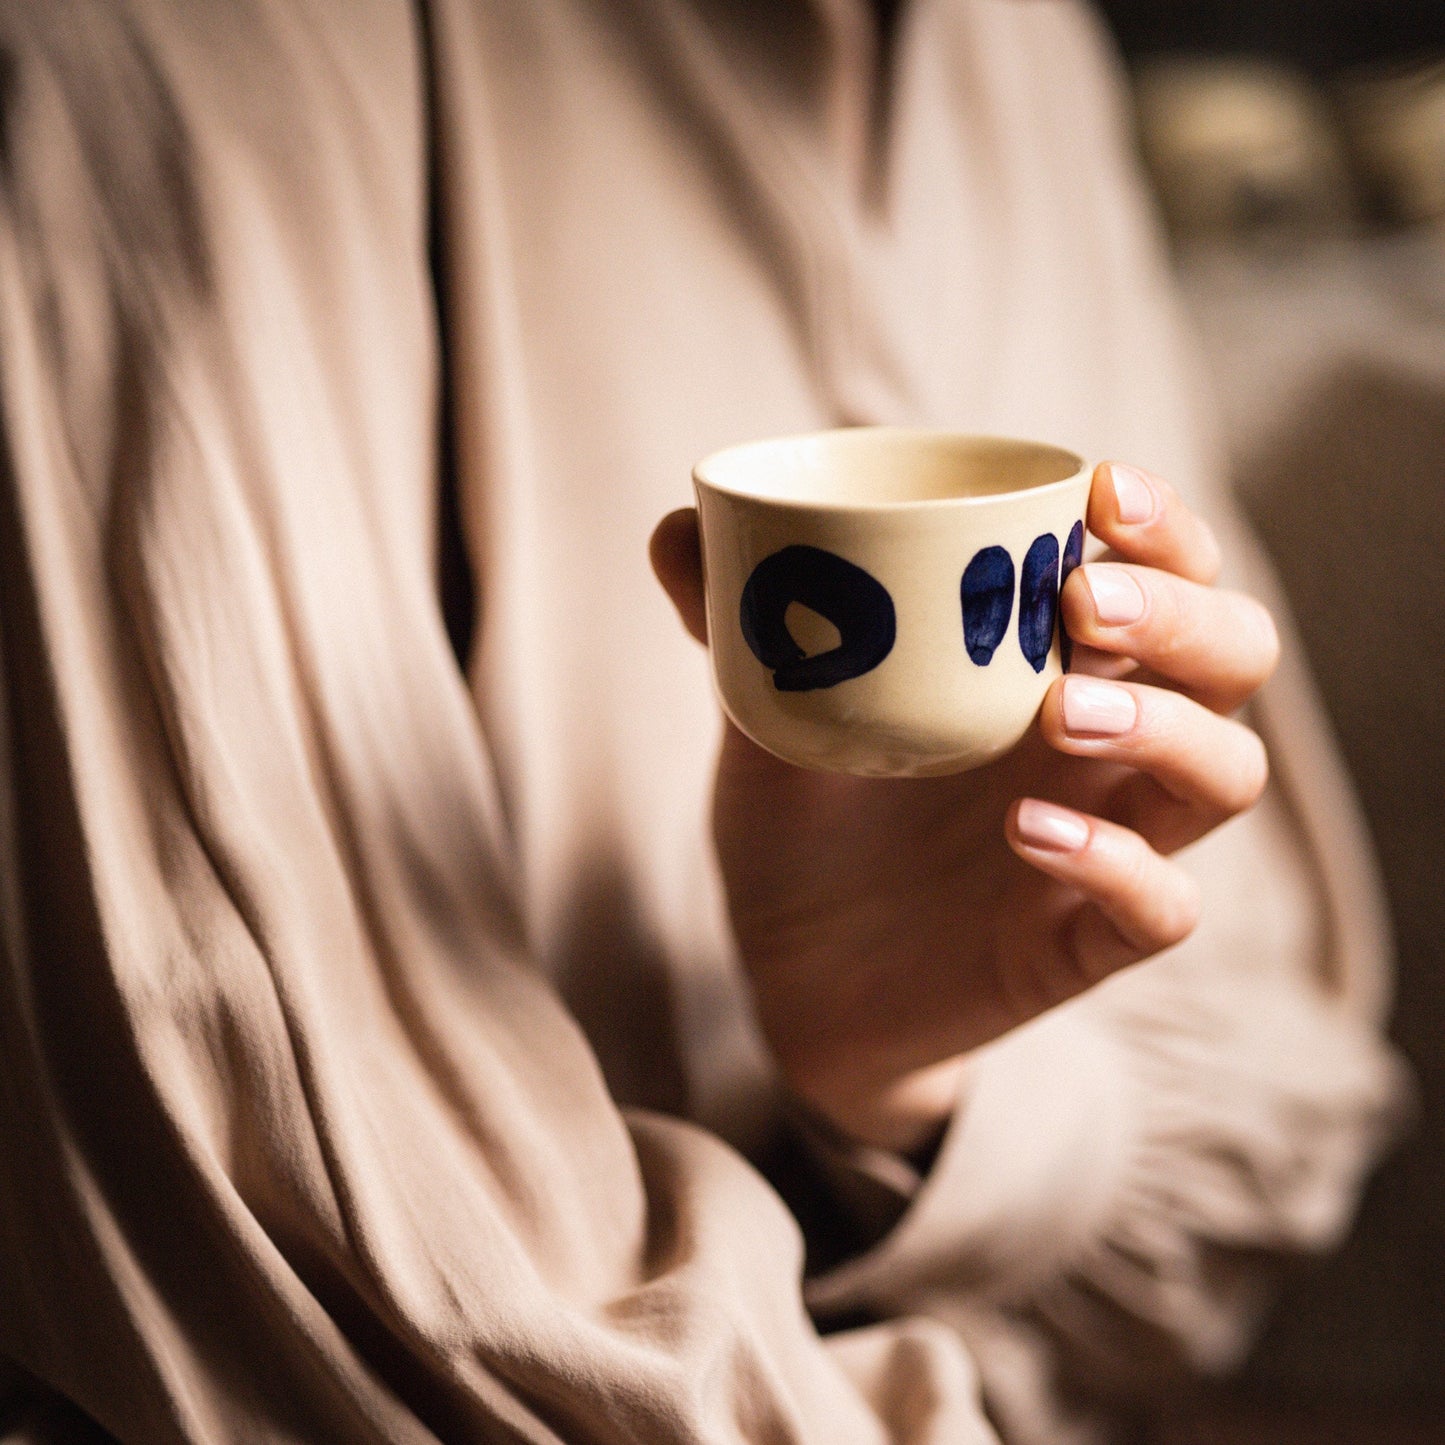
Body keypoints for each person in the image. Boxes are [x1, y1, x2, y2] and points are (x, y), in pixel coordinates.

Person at [0, 1, 1404, 1441]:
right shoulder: (170, 53)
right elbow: (350, 1310)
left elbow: (1268, 1087)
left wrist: (901, 1091)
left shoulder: (1011, 44)